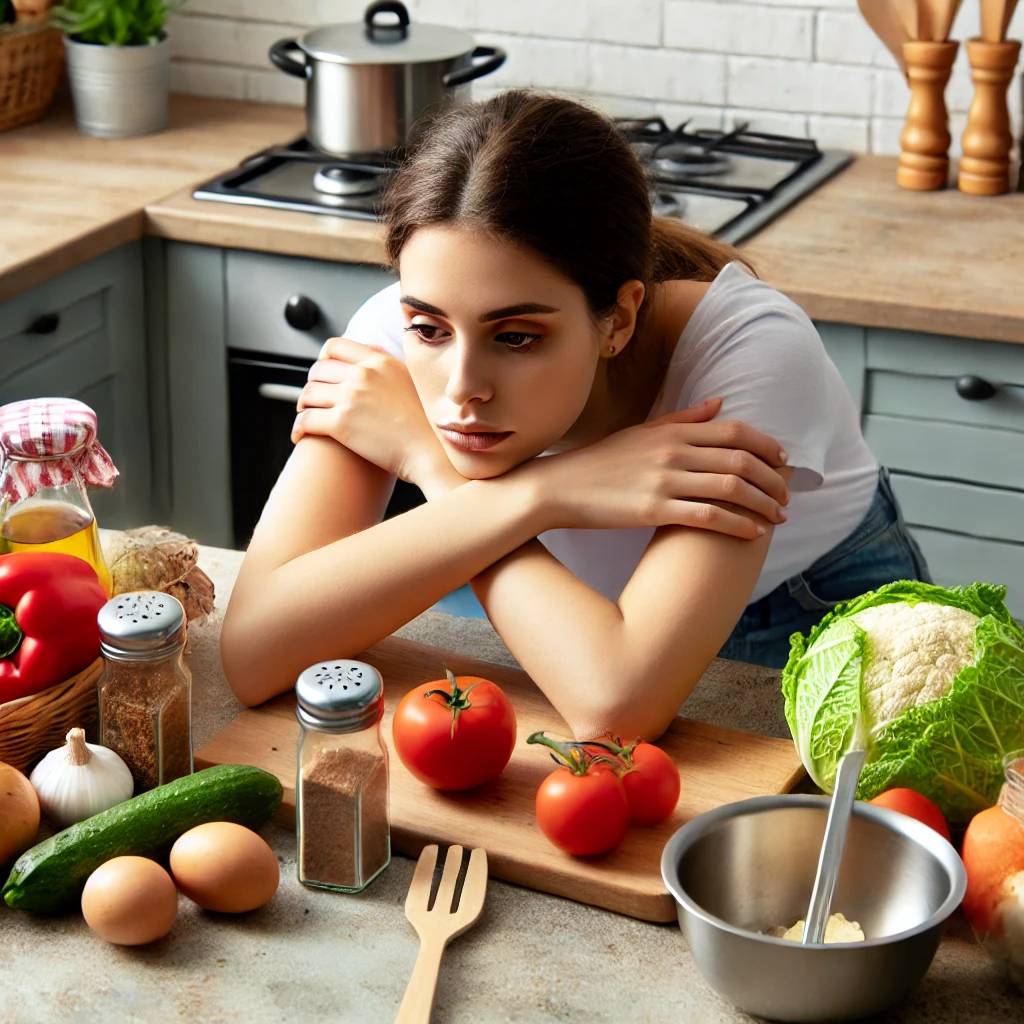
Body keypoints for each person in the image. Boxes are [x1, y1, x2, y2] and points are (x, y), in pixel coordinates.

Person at [221, 90, 930, 740]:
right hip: (566, 619)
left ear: (617, 319)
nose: (461, 389)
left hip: (799, 620)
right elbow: (253, 653)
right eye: (430, 329)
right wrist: (541, 493)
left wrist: (440, 472)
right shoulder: (391, 334)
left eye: (518, 337)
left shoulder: (752, 351)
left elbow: (617, 707)